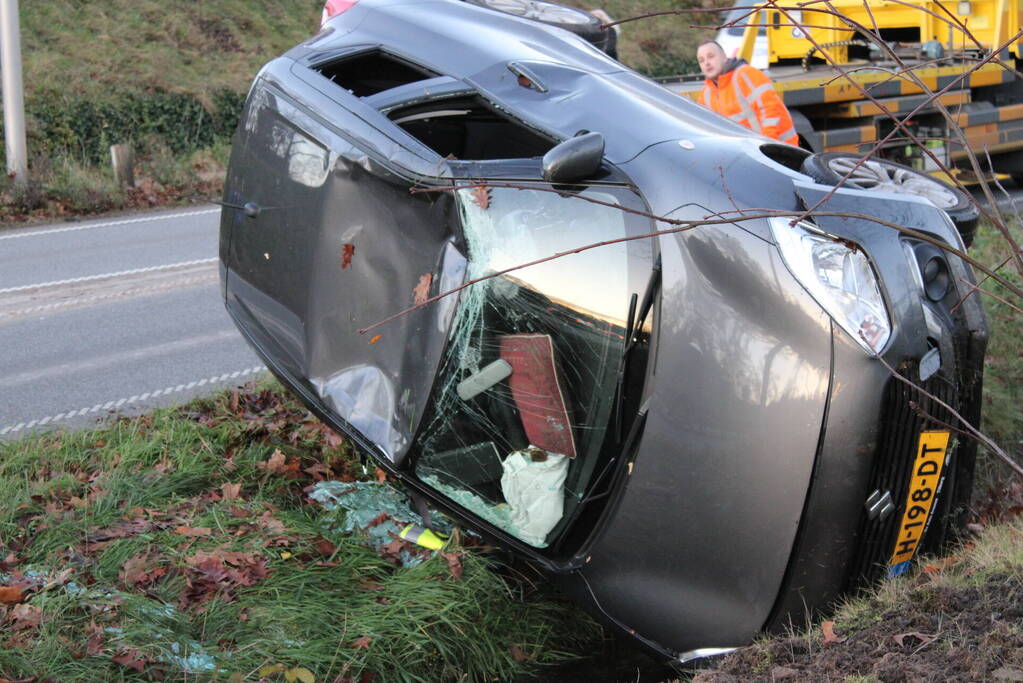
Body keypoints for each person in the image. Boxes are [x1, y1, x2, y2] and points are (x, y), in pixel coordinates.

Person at [695, 39, 799, 146]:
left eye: (711, 56)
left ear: (724, 57)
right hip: (750, 151)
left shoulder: (746, 74)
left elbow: (770, 111)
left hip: (781, 148)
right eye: (701, 60)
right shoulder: (706, 95)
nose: (707, 63)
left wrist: (769, 147)